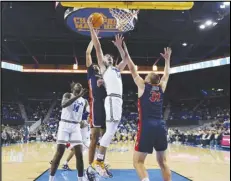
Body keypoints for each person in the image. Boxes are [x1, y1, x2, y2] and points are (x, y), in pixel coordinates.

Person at [120, 41, 172, 181]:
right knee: (163, 162)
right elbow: (166, 75)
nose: (144, 77)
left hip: (147, 126)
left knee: (138, 162)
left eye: (146, 76)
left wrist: (125, 50)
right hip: (161, 126)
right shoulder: (161, 87)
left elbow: (131, 68)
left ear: (148, 80)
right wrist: (167, 60)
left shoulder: (143, 86)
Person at [86, 16, 127, 178]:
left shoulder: (117, 69)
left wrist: (120, 46)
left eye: (110, 57)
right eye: (106, 57)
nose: (107, 58)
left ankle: (99, 162)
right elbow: (97, 47)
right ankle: (98, 162)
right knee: (108, 132)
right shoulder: (103, 68)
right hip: (111, 100)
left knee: (110, 132)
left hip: (118, 101)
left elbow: (125, 59)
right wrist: (91, 28)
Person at [49, 82, 88, 181]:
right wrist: (78, 96)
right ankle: (51, 179)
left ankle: (80, 179)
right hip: (64, 125)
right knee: (60, 152)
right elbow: (63, 104)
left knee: (79, 154)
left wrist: (85, 121)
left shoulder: (84, 101)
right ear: (72, 88)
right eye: (77, 84)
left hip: (76, 126)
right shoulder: (67, 95)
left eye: (80, 84)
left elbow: (89, 112)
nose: (79, 85)